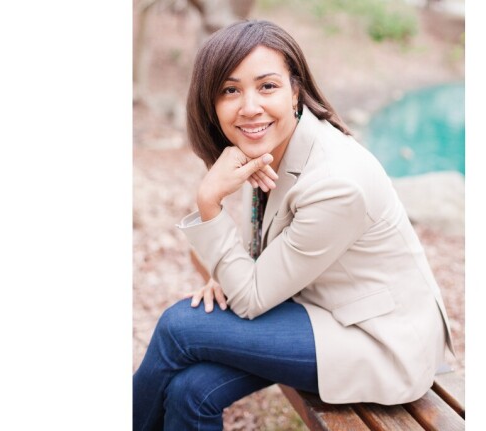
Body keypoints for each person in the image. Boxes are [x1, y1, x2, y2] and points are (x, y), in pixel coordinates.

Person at [133, 19, 454, 431]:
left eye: (267, 86)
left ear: (295, 91)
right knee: (190, 390)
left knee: (179, 327)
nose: (249, 106)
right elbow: (261, 257)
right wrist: (231, 276)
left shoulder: (337, 182)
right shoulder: (270, 147)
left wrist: (209, 202)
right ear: (210, 102)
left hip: (380, 342)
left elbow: (250, 298)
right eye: (230, 90)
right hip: (317, 308)